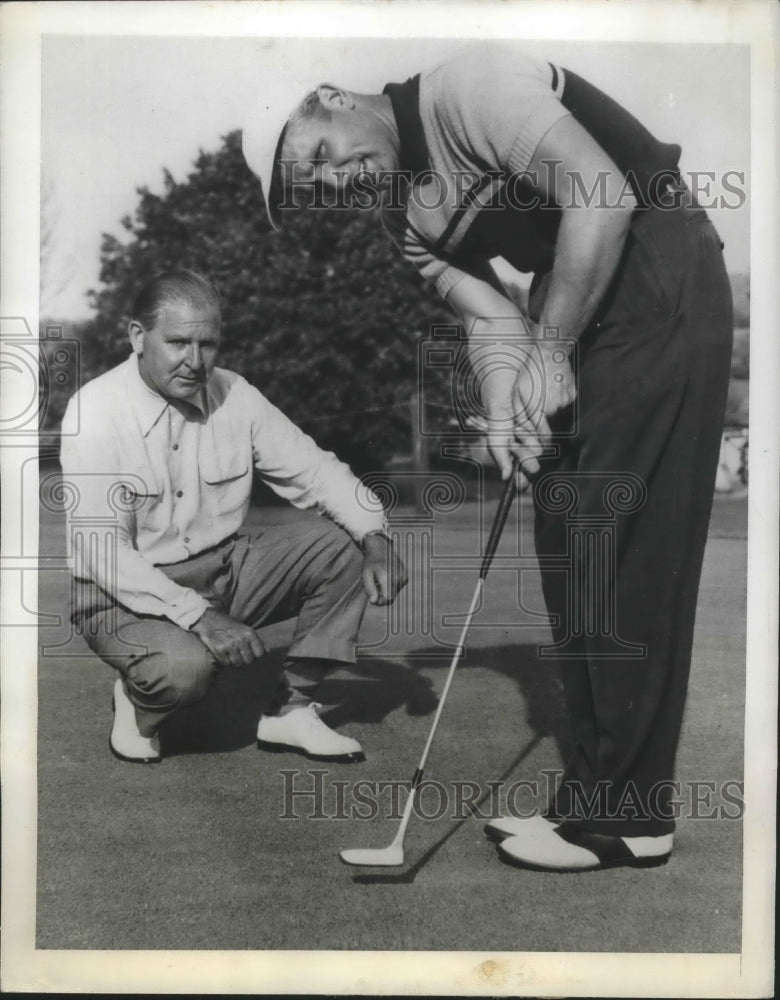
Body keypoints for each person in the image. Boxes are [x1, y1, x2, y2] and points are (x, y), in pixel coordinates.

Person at [242, 44, 734, 871]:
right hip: (575, 301)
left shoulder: (470, 90)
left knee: (622, 548)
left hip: (660, 268)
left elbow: (601, 195)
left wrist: (549, 357)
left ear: (332, 99)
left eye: (319, 157)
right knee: (567, 548)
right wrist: (507, 404)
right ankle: (591, 797)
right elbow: (490, 321)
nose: (334, 183)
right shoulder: (405, 224)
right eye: (312, 190)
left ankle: (632, 816)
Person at [59, 270, 406, 765]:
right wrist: (198, 616)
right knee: (184, 671)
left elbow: (317, 470)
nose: (195, 361)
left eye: (208, 344)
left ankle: (292, 708)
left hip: (225, 569)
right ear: (138, 337)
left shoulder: (235, 393)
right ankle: (139, 698)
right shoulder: (92, 411)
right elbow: (103, 553)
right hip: (119, 594)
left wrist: (375, 535)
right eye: (178, 342)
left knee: (348, 544)